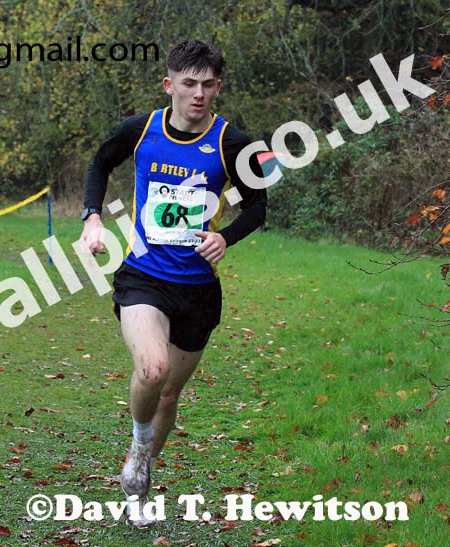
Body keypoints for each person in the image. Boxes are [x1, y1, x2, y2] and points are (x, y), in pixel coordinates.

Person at [79, 40, 267, 528]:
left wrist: (225, 238)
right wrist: (92, 217)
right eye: (189, 83)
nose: (198, 93)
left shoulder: (234, 143)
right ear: (170, 85)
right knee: (153, 368)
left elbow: (259, 205)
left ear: (218, 88)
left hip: (198, 289)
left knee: (168, 395)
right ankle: (140, 448)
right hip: (143, 276)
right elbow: (100, 164)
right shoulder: (141, 129)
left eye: (208, 84)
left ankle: (142, 469)